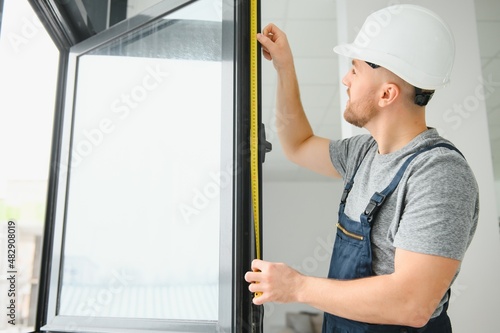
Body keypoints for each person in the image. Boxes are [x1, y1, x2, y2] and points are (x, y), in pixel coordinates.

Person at [244, 4, 479, 333]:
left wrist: (296, 287)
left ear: (387, 94)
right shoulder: (364, 152)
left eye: (354, 70)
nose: (346, 79)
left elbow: (414, 304)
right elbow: (298, 145)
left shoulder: (438, 174)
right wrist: (284, 66)